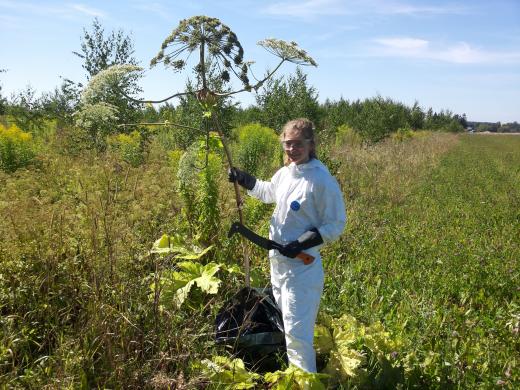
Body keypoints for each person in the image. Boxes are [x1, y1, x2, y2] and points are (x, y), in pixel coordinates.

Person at [229, 118, 346, 372]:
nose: (291, 150)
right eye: (287, 144)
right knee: (291, 328)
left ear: (310, 144)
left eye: (297, 144)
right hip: (279, 267)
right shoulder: (286, 173)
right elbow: (267, 191)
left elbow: (336, 223)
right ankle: (297, 375)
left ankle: (306, 381)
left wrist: (303, 242)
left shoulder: (320, 180)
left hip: (302, 271)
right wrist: (243, 178)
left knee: (296, 337)